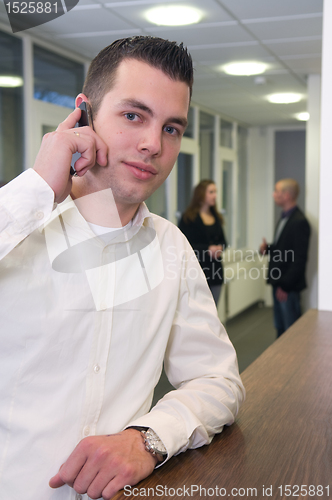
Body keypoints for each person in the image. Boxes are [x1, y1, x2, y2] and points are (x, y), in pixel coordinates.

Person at [0, 36, 245, 499]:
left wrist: (148, 439)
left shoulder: (172, 248)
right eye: (133, 115)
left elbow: (219, 382)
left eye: (172, 128)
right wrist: (36, 190)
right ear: (84, 114)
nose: (153, 144)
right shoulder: (16, 225)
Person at [260, 178, 310, 337]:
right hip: (279, 283)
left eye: (277, 191)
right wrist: (268, 248)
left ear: (287, 195)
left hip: (287, 287)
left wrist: (286, 286)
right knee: (281, 328)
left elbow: (300, 258)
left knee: (291, 332)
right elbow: (285, 248)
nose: (274, 194)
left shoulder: (299, 221)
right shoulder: (285, 217)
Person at [178, 180, 227, 306]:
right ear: (201, 194)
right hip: (196, 272)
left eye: (215, 192)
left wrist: (219, 248)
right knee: (197, 312)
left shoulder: (216, 217)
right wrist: (207, 249)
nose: (215, 195)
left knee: (213, 311)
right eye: (211, 192)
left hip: (215, 272)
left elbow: (224, 241)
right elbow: (183, 245)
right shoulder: (188, 218)